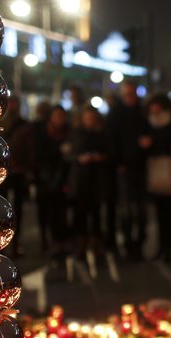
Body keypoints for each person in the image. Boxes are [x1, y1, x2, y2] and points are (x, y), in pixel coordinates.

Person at [106, 81, 150, 259]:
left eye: (132, 94)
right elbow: (111, 139)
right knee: (127, 208)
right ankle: (128, 243)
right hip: (124, 166)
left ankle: (138, 243)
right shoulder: (116, 113)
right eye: (127, 94)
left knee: (140, 209)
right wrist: (118, 162)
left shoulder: (141, 111)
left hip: (140, 165)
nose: (131, 97)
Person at [143, 94, 171, 263]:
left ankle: (168, 248)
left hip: (170, 170)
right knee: (160, 213)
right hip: (155, 171)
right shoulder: (149, 123)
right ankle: (162, 247)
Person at [70, 107, 109, 259]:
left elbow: (109, 153)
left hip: (97, 180)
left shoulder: (102, 134)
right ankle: (81, 244)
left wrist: (99, 157)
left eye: (92, 117)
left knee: (96, 213)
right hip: (80, 179)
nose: (90, 120)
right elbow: (69, 153)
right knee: (80, 213)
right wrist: (79, 158)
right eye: (87, 118)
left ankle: (96, 245)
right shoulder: (76, 134)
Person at [33, 105, 72, 254]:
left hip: (61, 177)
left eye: (62, 116)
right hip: (44, 177)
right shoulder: (42, 131)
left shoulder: (68, 132)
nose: (59, 119)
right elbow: (38, 154)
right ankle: (46, 240)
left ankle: (60, 240)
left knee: (60, 211)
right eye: (57, 116)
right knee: (44, 210)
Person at [0, 95, 30, 257]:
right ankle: (2, 243)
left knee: (17, 210)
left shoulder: (24, 125)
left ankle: (16, 244)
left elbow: (29, 149)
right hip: (4, 171)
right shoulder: (0, 123)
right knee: (2, 209)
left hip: (18, 171)